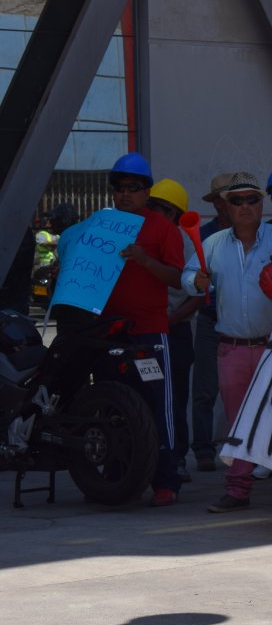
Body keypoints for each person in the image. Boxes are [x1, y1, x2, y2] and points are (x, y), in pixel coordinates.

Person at [183, 172, 272, 515]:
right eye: (237, 201)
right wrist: (196, 279)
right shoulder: (212, 245)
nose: (246, 206)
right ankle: (238, 489)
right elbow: (187, 278)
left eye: (252, 199)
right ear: (226, 206)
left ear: (262, 203)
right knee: (237, 422)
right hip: (232, 346)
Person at [90, 152, 185, 506]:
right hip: (106, 332)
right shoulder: (100, 225)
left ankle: (167, 480)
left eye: (133, 188)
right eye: (119, 188)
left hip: (148, 332)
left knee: (158, 406)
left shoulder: (164, 230)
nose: (125, 194)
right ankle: (115, 476)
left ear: (147, 192)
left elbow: (178, 279)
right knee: (110, 402)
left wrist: (145, 260)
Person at [147, 178, 201, 483]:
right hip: (147, 331)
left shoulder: (186, 243)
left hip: (174, 332)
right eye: (151, 206)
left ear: (175, 215)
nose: (154, 212)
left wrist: (171, 321)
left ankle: (177, 457)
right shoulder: (145, 237)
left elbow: (198, 296)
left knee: (175, 398)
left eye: (161, 209)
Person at [190, 173, 235, 472]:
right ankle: (204, 449)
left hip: (242, 322)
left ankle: (244, 449)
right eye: (224, 198)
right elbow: (190, 277)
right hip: (210, 319)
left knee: (242, 390)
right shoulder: (204, 234)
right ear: (217, 202)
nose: (229, 204)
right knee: (205, 389)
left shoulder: (255, 233)